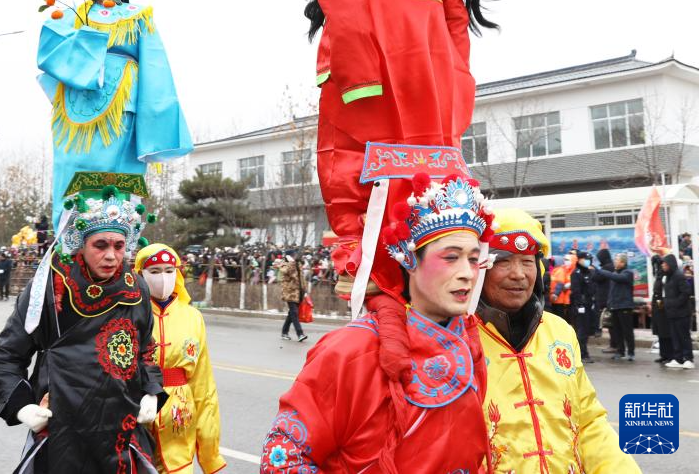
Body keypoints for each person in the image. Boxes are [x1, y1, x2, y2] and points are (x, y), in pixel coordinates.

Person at [302, 0, 496, 288]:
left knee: (431, 161)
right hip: (379, 56)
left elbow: (455, 13)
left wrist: (458, 74)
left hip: (429, 64)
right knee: (362, 155)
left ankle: (432, 255)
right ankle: (363, 257)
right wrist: (359, 69)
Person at [261, 173, 492, 472]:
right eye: (451, 257)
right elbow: (283, 457)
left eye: (473, 259)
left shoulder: (470, 343)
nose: (467, 273)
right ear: (410, 260)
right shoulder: (351, 349)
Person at [0, 178, 166, 473]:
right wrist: (21, 405)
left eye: (119, 246)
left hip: (122, 429)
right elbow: (8, 355)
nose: (111, 255)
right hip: (62, 429)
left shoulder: (136, 288)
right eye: (100, 245)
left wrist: (152, 390)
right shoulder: (50, 287)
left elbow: (145, 350)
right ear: (81, 244)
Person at [36, 0, 193, 230]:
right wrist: (89, 50)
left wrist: (155, 118)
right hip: (76, 106)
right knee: (72, 164)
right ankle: (67, 234)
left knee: (118, 170)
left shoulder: (138, 15)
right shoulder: (71, 16)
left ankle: (119, 232)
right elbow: (49, 51)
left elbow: (155, 67)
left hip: (123, 105)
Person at [475, 209, 640, 473]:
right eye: (503, 261)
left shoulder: (559, 332)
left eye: (527, 262)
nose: (518, 274)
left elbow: (588, 421)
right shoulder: (457, 340)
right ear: (480, 267)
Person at [134, 243, 226, 474]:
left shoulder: (193, 317)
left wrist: (210, 453)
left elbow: (203, 386)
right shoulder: (129, 313)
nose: (163, 278)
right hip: (137, 416)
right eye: (154, 271)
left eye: (169, 270)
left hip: (179, 422)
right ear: (140, 275)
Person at [593, 253, 636, 361]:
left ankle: (631, 352)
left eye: (617, 260)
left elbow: (617, 277)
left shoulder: (628, 273)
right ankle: (620, 351)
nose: (615, 262)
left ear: (623, 262)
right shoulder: (615, 273)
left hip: (625, 306)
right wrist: (609, 304)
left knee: (627, 331)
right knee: (617, 331)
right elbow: (612, 292)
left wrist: (601, 271)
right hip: (615, 306)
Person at [661, 253, 695, 369]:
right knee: (675, 336)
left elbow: (686, 292)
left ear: (670, 264)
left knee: (684, 336)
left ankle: (688, 358)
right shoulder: (668, 277)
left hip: (682, 313)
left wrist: (675, 303)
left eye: (665, 263)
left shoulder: (679, 276)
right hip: (672, 313)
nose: (663, 266)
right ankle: (678, 358)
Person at [569, 249, 597, 363]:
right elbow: (576, 291)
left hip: (589, 305)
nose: (588, 261)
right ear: (579, 260)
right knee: (582, 330)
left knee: (587, 330)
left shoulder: (589, 272)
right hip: (581, 306)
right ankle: (582, 354)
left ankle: (583, 352)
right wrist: (579, 305)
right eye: (586, 259)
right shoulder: (576, 274)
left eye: (589, 259)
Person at [649, 252, 674, 363]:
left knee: (665, 332)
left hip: (662, 306)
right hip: (658, 305)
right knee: (660, 331)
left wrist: (660, 305)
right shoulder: (659, 275)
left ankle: (669, 355)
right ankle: (663, 354)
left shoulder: (665, 276)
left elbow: (662, 293)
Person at [277, 252, 308, 342]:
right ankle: (300, 334)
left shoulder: (297, 264)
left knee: (291, 314)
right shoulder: (284, 265)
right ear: (288, 257)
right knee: (294, 313)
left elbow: (301, 278)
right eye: (293, 255)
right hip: (290, 293)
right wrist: (291, 262)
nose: (295, 257)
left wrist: (305, 290)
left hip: (299, 293)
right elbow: (289, 272)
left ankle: (284, 332)